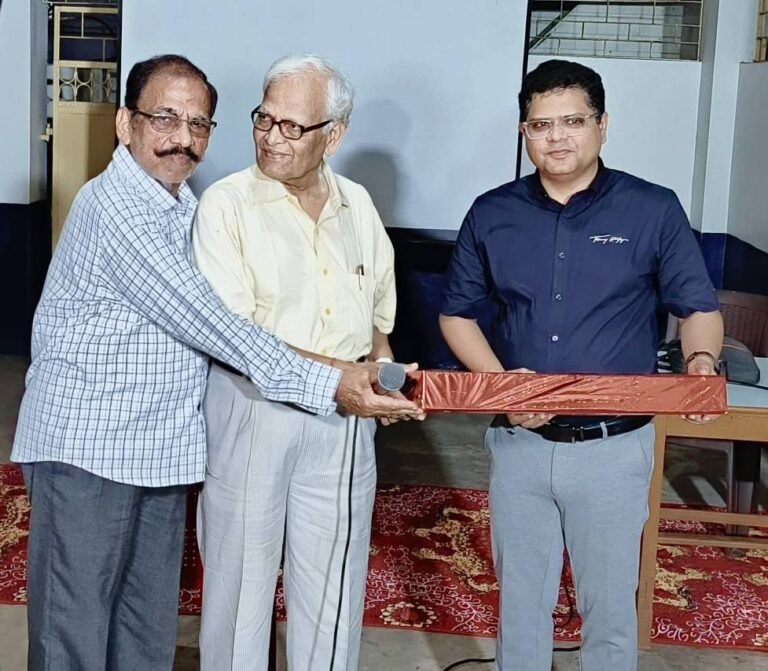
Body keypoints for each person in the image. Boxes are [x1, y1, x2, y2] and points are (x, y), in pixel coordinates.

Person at [11, 54, 420, 671]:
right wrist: (335, 379)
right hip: (89, 451)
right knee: (73, 632)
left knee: (144, 631)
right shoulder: (121, 208)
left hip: (156, 450)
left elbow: (372, 312)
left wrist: (365, 365)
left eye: (199, 124)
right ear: (125, 123)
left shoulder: (178, 201)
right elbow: (218, 327)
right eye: (164, 118)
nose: (183, 138)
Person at [439, 59, 723, 671]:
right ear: (523, 132)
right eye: (541, 125)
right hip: (519, 442)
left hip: (614, 447)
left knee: (611, 612)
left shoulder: (652, 209)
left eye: (573, 121)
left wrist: (700, 362)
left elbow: (696, 306)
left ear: (602, 126)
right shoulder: (492, 213)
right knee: (520, 607)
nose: (557, 137)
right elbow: (457, 315)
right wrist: (501, 385)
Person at [191, 53, 418, 671]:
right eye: (264, 119)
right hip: (253, 411)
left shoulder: (359, 207)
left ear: (333, 135)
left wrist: (380, 373)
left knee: (333, 594)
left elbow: (378, 319)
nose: (271, 136)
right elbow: (236, 335)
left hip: (344, 428)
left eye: (292, 126)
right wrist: (345, 378)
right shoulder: (225, 206)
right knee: (240, 591)